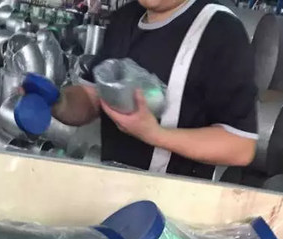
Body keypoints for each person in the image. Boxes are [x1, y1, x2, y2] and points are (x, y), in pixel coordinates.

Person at [52, 0, 258, 180]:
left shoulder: (219, 30)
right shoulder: (125, 18)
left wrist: (154, 134)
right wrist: (58, 101)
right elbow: (92, 97)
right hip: (113, 187)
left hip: (171, 200)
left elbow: (240, 146)